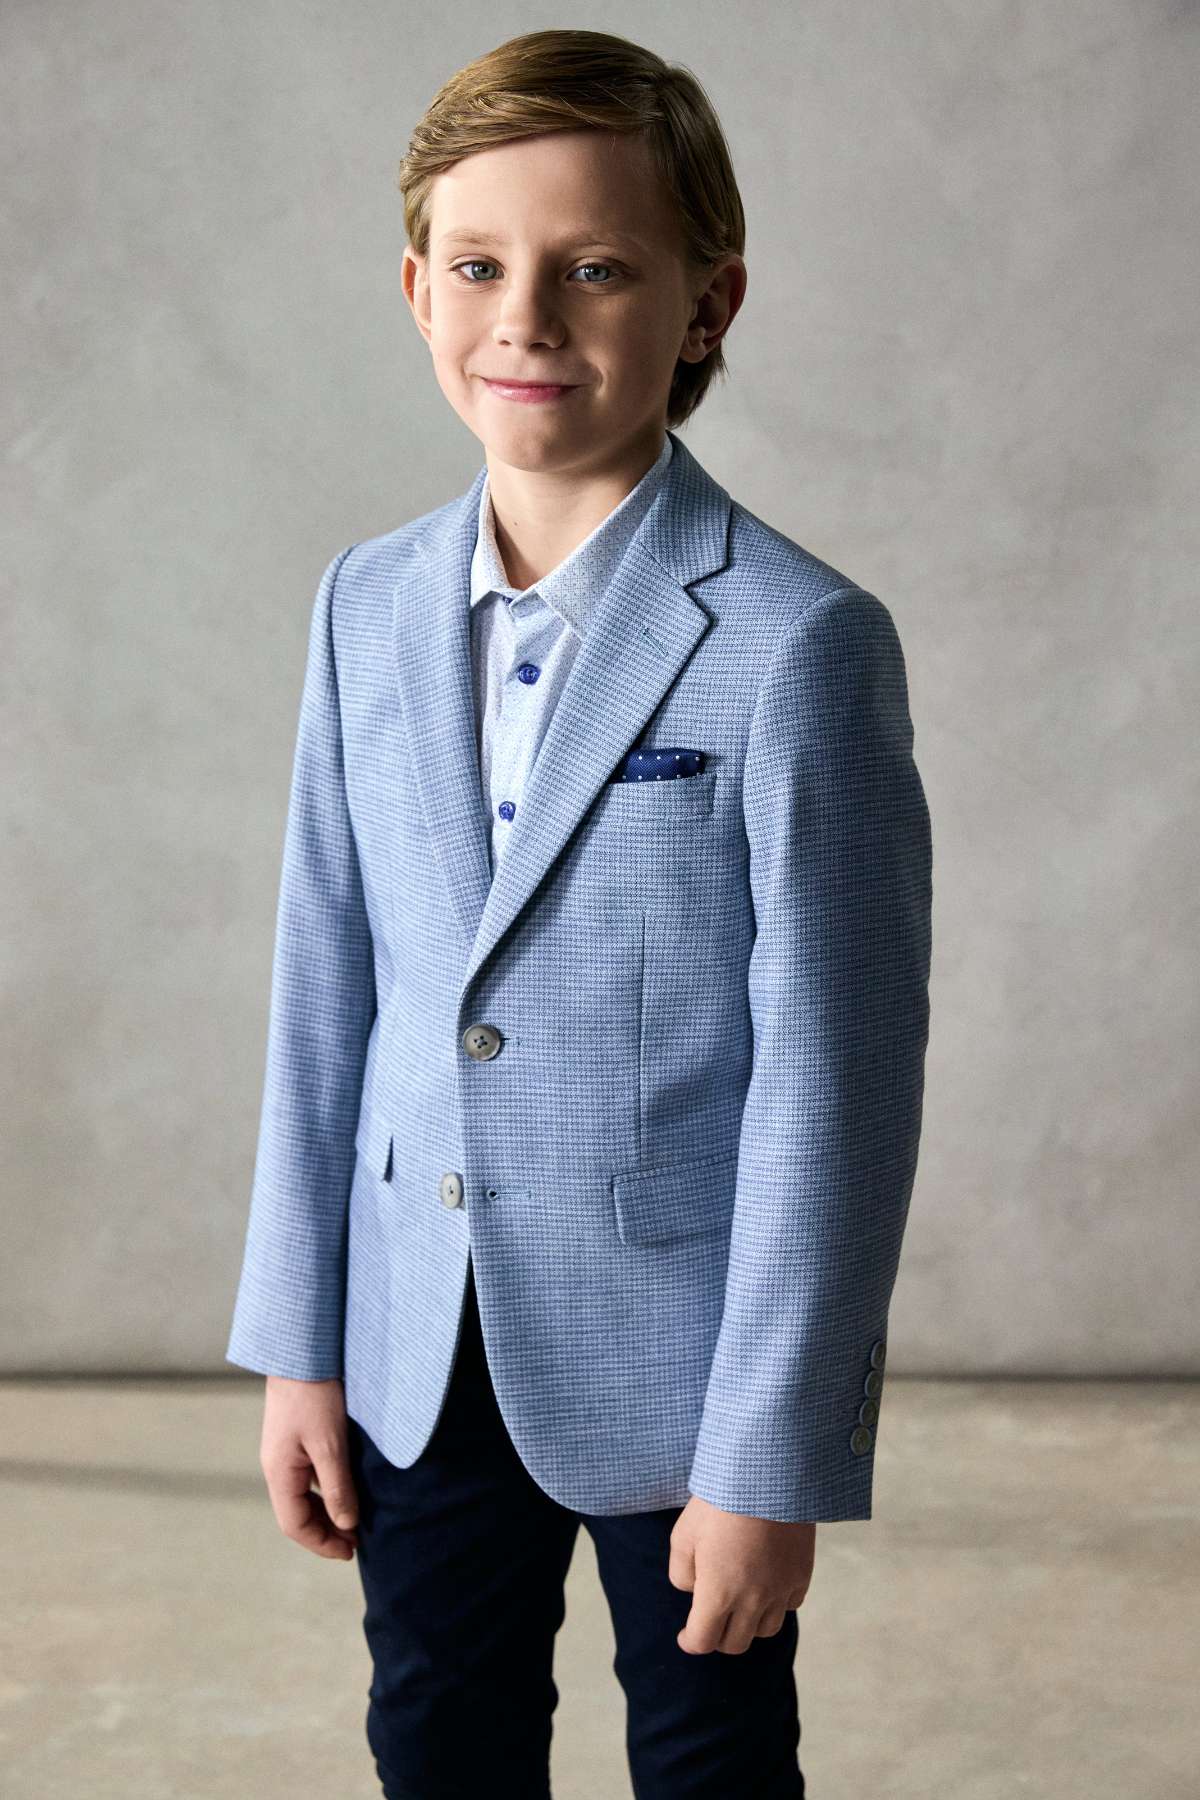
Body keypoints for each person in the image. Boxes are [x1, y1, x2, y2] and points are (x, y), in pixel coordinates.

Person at [225, 27, 932, 1800]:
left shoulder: (797, 642)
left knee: (708, 1761)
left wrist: (773, 1454)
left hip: (684, 1367)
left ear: (707, 302)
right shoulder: (363, 605)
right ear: (415, 290)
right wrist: (298, 1348)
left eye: (596, 266)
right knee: (438, 1735)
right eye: (479, 265)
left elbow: (836, 1086)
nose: (525, 315)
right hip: (412, 1336)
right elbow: (332, 988)